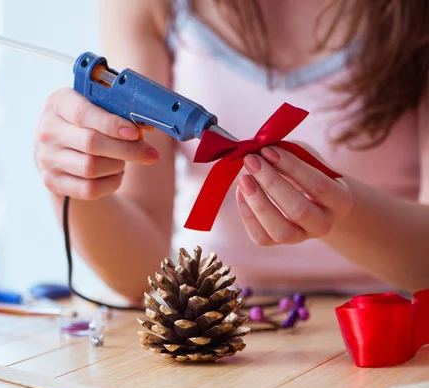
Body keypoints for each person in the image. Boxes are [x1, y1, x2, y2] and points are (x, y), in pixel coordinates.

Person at [33, 0, 429, 302]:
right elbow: (141, 275)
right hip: (216, 326)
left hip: (394, 335)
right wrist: (76, 182)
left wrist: (338, 209)